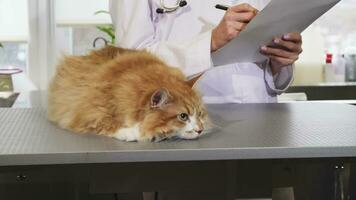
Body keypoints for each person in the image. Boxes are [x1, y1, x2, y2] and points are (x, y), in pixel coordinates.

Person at [109, 0, 303, 104]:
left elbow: (263, 71)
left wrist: (280, 63)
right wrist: (210, 41)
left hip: (262, 118)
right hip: (185, 123)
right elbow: (131, 63)